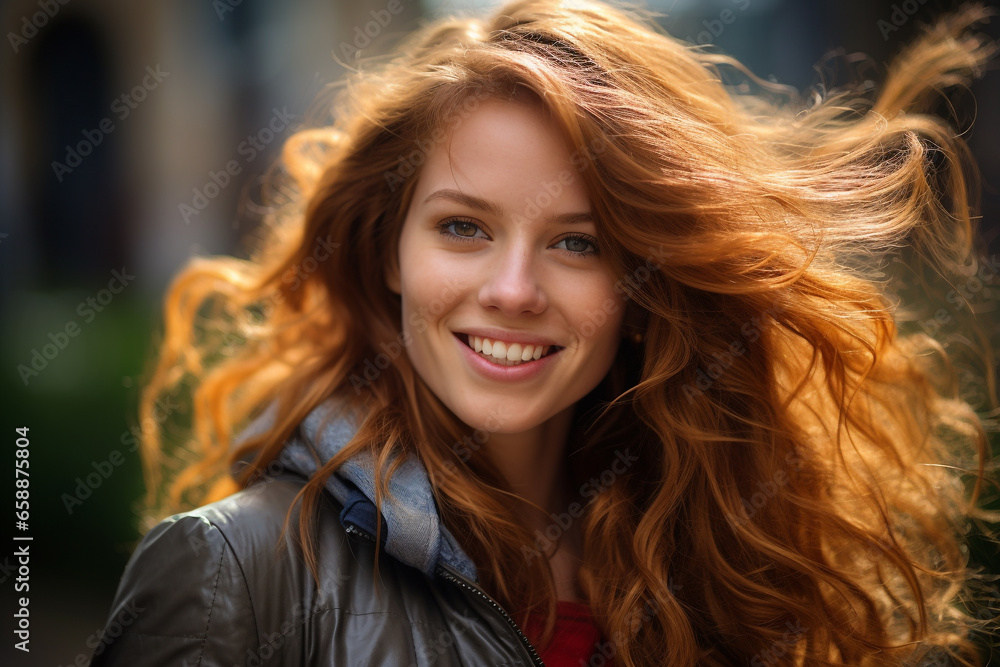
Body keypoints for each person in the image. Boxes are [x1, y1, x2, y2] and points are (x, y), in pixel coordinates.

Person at [91, 0, 999, 665]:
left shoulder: (718, 575)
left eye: (578, 242)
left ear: (645, 284)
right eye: (463, 227)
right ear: (390, 252)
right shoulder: (232, 575)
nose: (514, 290)